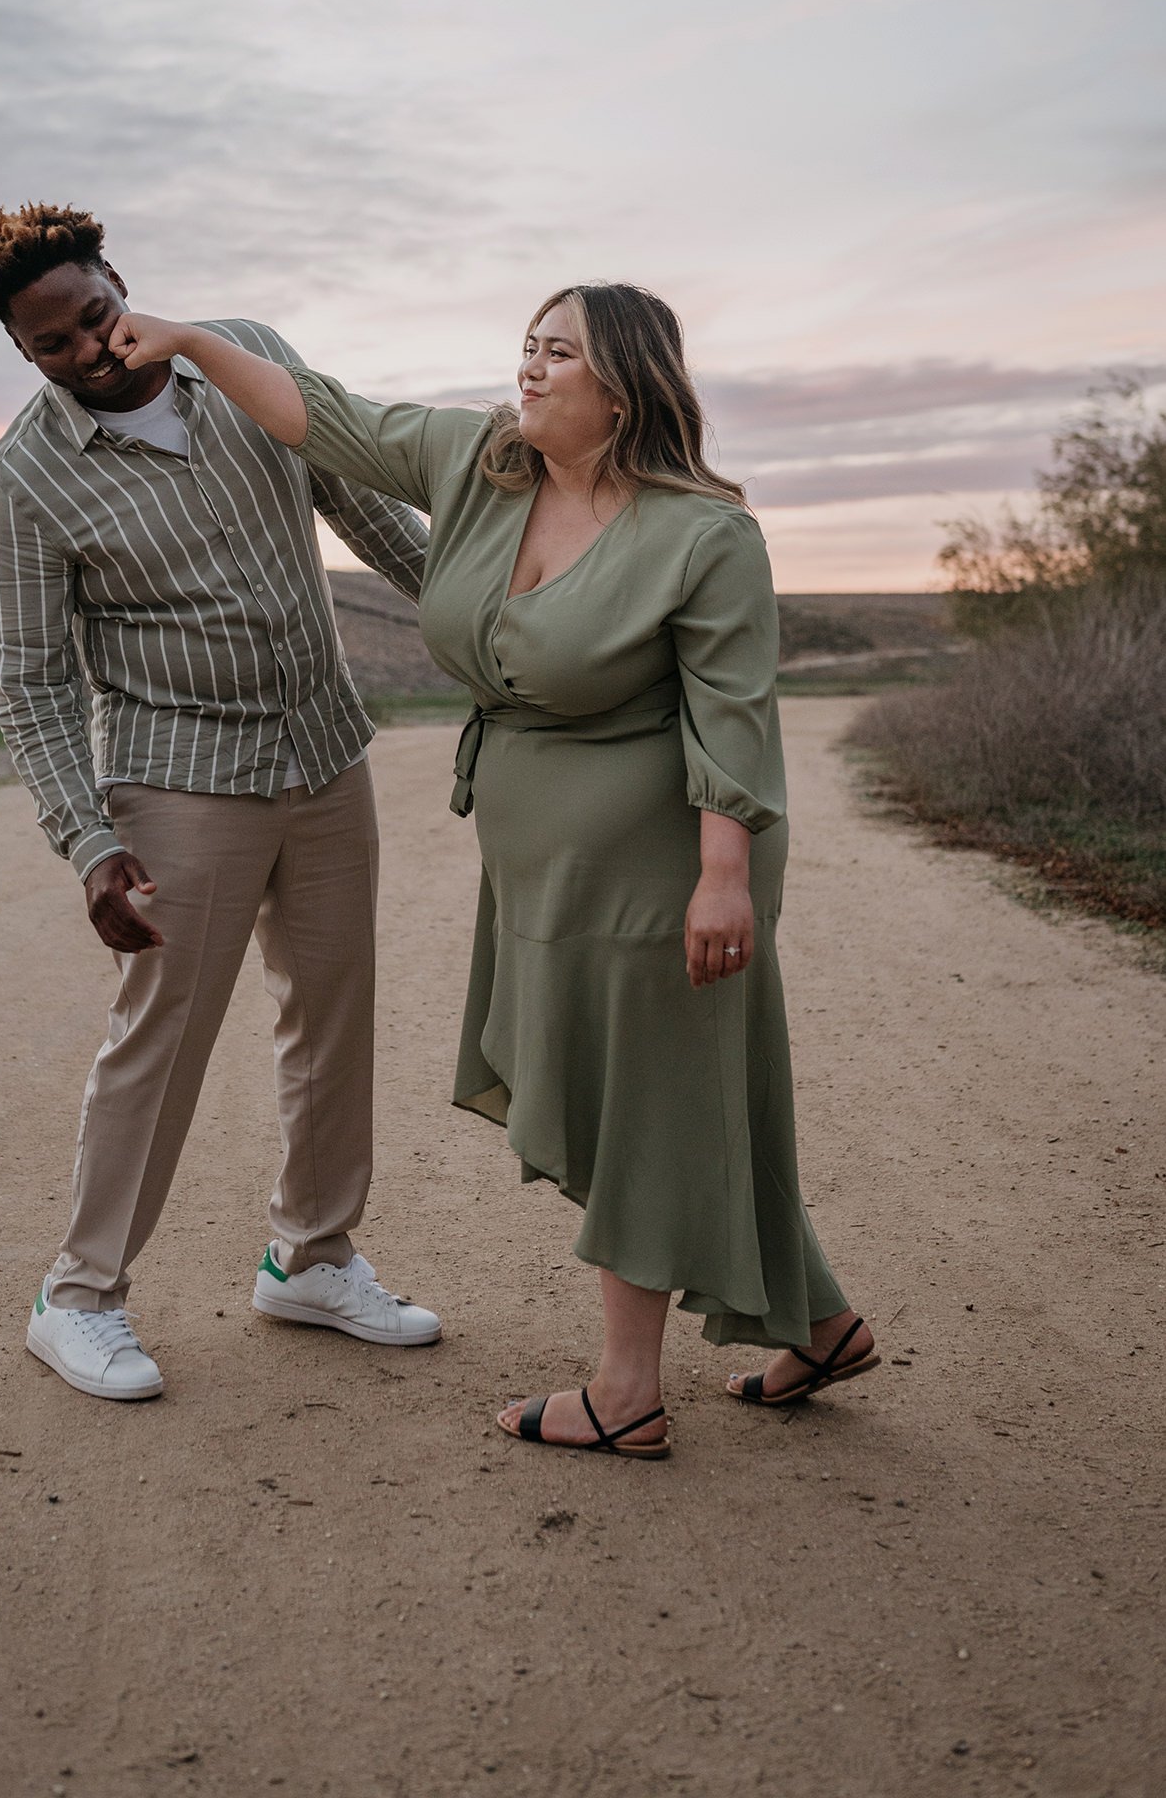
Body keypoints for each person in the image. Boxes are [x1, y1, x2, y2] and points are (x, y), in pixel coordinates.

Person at [102, 284, 878, 1455]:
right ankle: (819, 1322)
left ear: (624, 385)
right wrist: (193, 342)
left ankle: (626, 1391)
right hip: (547, 862)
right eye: (527, 344)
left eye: (558, 353)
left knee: (646, 1103)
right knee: (665, 1092)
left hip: (665, 857)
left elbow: (735, 716)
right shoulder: (478, 461)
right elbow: (321, 414)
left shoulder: (703, 534)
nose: (528, 368)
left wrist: (724, 874)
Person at [0, 203, 442, 1404]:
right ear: (24, 356)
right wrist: (90, 845)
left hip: (325, 753)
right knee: (160, 1042)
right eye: (54, 343)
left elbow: (362, 505)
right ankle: (77, 1297)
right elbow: (27, 685)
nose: (89, 347)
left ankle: (312, 1259)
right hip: (181, 783)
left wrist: (489, 617)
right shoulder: (27, 478)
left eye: (95, 314)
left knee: (333, 1016)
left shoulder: (239, 353)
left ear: (119, 282)